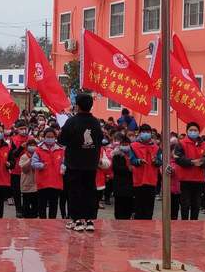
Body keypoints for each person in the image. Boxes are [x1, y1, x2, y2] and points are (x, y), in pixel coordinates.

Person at [58, 93, 103, 232]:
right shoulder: (96, 122)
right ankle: (89, 220)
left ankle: (76, 220)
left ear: (77, 106)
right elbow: (100, 140)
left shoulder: (71, 122)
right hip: (91, 163)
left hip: (75, 163)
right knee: (90, 190)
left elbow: (62, 140)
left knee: (75, 191)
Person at [174, 122, 205, 220]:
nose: (193, 132)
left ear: (199, 132)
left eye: (195, 130)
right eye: (191, 130)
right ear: (187, 131)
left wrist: (202, 162)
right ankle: (184, 224)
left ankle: (195, 224)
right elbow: (177, 158)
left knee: (196, 205)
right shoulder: (181, 143)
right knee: (185, 205)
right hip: (185, 179)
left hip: (199, 180)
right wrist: (191, 162)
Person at [31, 128, 65, 220]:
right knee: (42, 206)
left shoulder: (61, 150)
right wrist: (41, 165)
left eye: (52, 137)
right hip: (42, 183)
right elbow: (33, 163)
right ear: (44, 137)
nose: (50, 138)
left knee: (53, 206)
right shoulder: (38, 149)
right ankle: (42, 226)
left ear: (55, 137)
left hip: (56, 182)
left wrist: (63, 167)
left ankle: (52, 226)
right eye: (48, 137)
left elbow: (64, 162)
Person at [130, 124, 162, 220]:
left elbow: (160, 162)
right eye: (143, 132)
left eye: (148, 132)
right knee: (139, 207)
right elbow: (132, 160)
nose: (146, 134)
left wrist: (155, 161)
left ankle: (148, 227)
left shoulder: (156, 147)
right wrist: (139, 161)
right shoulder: (133, 146)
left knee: (149, 208)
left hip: (151, 180)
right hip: (138, 180)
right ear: (139, 133)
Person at [9, 120, 30, 218]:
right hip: (16, 169)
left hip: (28, 169)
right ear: (17, 129)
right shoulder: (13, 139)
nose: (23, 130)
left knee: (27, 190)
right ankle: (18, 209)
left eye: (25, 128)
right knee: (16, 191)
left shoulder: (30, 139)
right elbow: (13, 154)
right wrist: (21, 148)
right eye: (21, 129)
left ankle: (26, 209)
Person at [111, 134, 134, 220]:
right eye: (123, 144)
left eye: (126, 144)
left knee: (128, 206)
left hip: (130, 185)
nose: (125, 146)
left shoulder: (132, 155)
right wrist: (128, 169)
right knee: (119, 207)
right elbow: (116, 168)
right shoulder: (116, 155)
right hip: (119, 184)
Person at [19, 138, 38, 218]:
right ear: (27, 147)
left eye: (34, 145)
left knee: (35, 207)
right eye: (30, 145)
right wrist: (30, 160)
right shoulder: (24, 156)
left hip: (36, 185)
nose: (32, 147)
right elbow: (24, 169)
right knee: (26, 206)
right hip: (26, 184)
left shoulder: (38, 156)